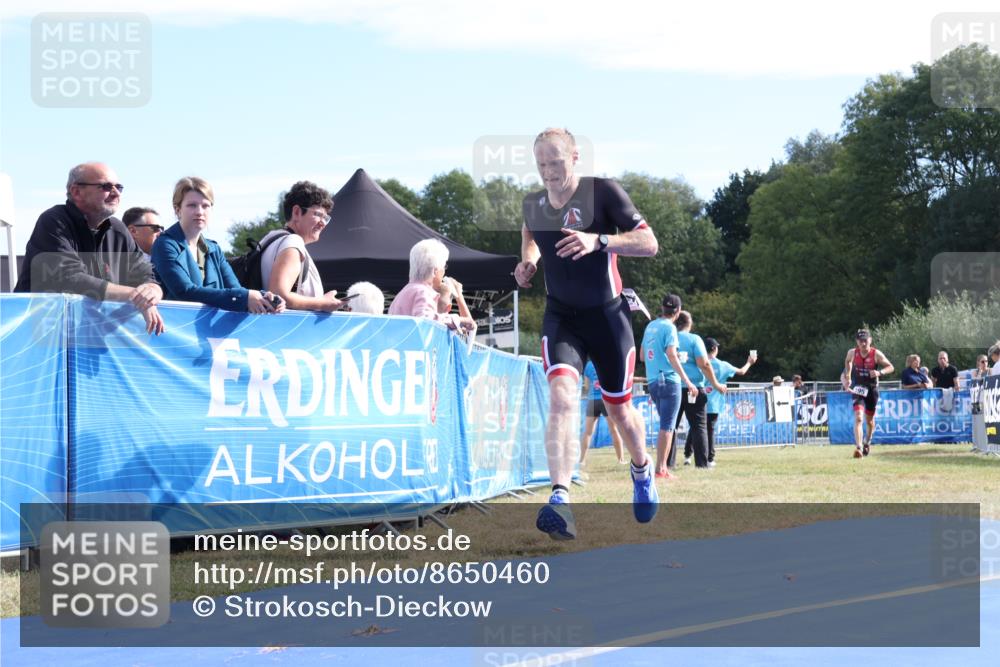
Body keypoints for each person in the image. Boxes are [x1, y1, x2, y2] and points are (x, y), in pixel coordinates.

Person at [515, 127, 659, 540]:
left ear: (575, 157)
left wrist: (599, 241)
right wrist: (528, 262)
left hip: (608, 317)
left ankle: (641, 468)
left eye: (555, 162)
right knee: (561, 397)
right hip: (562, 317)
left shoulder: (604, 193)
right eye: (541, 164)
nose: (548, 172)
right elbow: (529, 235)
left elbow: (649, 243)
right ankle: (561, 498)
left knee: (619, 411)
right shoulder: (533, 203)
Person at [14, 162, 165, 335]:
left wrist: (152, 292)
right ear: (76, 191)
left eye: (119, 187)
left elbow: (146, 276)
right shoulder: (54, 221)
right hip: (40, 339)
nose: (115, 193)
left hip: (90, 341)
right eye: (106, 187)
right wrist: (136, 296)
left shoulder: (118, 230)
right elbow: (69, 279)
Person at [152, 177, 284, 314]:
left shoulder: (214, 249)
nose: (200, 211)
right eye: (192, 205)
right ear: (177, 209)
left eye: (205, 205)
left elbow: (236, 289)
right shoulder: (165, 244)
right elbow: (185, 291)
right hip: (175, 329)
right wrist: (246, 297)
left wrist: (265, 297)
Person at [261, 181, 344, 312]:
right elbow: (278, 295)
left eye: (326, 218)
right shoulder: (292, 243)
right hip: (288, 329)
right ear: (297, 212)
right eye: (318, 215)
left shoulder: (271, 239)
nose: (323, 223)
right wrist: (322, 303)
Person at [640, 293, 696, 478]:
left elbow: (642, 355)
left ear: (662, 308)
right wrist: (688, 381)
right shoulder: (670, 328)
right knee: (668, 426)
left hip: (653, 381)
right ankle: (661, 469)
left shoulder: (650, 326)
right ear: (678, 311)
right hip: (670, 381)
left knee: (665, 425)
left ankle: (660, 467)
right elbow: (671, 354)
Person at [675, 311, 727, 468]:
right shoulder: (694, 339)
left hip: (674, 387)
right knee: (699, 427)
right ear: (690, 323)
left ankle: (667, 463)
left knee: (670, 427)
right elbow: (704, 364)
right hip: (694, 388)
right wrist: (716, 384)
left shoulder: (669, 337)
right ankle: (702, 464)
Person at [389, 239, 476, 331]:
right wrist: (456, 320)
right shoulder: (423, 292)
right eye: (444, 267)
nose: (444, 271)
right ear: (435, 271)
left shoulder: (402, 294)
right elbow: (426, 321)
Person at [841, 329, 894, 458]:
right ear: (857, 342)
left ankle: (867, 442)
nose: (863, 343)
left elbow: (891, 367)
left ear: (870, 340)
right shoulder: (852, 353)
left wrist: (879, 372)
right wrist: (848, 376)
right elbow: (848, 361)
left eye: (865, 340)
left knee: (870, 421)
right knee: (858, 417)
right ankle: (858, 448)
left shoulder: (876, 354)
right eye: (860, 341)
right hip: (858, 388)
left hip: (871, 389)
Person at [705, 338, 755, 467]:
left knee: (697, 428)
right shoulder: (723, 365)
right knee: (710, 430)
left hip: (699, 401)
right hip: (714, 403)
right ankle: (710, 459)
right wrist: (749, 362)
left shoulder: (700, 363)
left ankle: (688, 455)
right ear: (715, 349)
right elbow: (742, 371)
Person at [579, 360, 625, 466]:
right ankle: (621, 459)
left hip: (592, 400)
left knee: (588, 432)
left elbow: (586, 386)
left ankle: (582, 460)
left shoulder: (588, 366)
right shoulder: (607, 361)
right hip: (606, 399)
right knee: (614, 430)